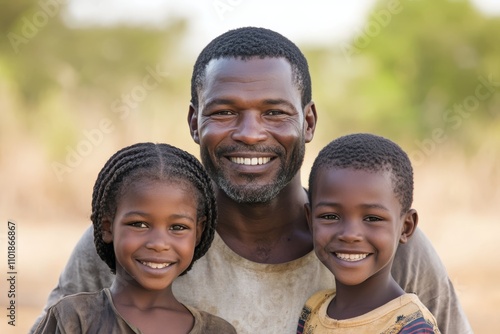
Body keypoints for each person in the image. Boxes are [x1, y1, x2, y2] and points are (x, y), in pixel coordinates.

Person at [31, 27, 472, 334]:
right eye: (224, 112)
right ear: (193, 121)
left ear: (309, 121)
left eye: (275, 112)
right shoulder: (131, 238)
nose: (249, 133)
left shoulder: (389, 247)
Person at [33, 143, 236, 334]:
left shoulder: (217, 331)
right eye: (139, 224)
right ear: (107, 227)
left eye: (178, 227)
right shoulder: (75, 318)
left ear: (198, 233)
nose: (158, 244)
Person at [297, 133, 440, 333]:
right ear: (309, 220)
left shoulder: (411, 326)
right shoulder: (314, 310)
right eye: (330, 216)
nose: (349, 234)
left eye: (372, 219)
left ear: (406, 227)